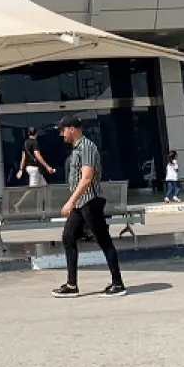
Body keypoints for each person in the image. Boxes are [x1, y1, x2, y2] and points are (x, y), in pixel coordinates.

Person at [52, 115, 126, 297]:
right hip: (80, 202)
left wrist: (70, 202)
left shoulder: (87, 147)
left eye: (63, 130)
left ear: (72, 129)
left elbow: (86, 178)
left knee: (103, 240)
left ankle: (118, 283)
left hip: (90, 201)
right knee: (68, 237)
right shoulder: (76, 149)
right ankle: (71, 285)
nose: (62, 135)